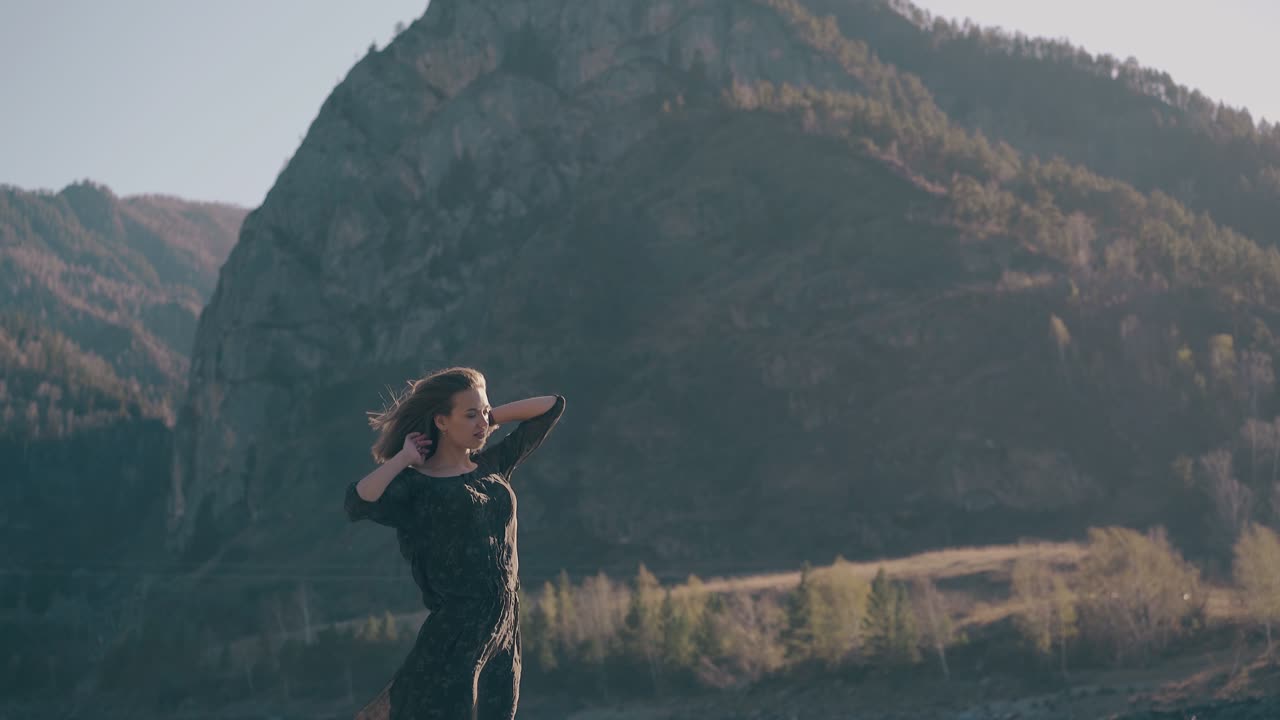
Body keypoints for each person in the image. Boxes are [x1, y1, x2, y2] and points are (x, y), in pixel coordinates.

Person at [344, 366, 566, 720]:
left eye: (484, 410)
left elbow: (552, 406)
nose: (481, 421)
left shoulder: (491, 465)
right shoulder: (417, 486)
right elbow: (358, 502)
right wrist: (403, 458)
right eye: (469, 414)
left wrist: (491, 417)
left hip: (506, 627)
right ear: (442, 422)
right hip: (456, 633)